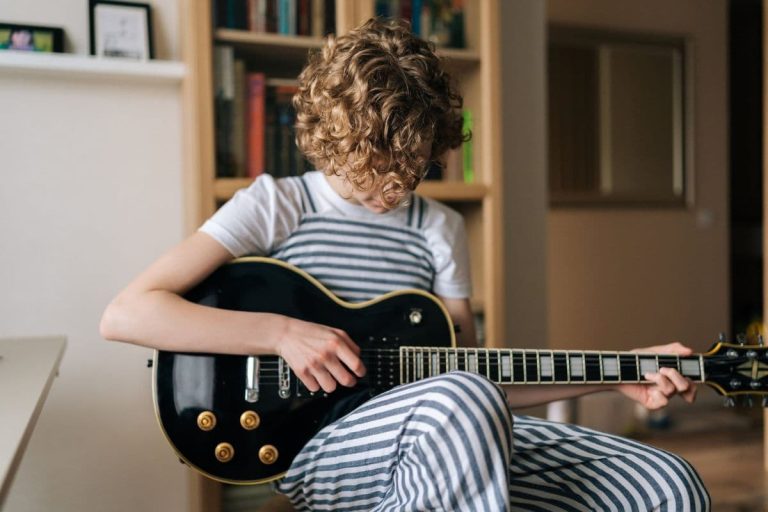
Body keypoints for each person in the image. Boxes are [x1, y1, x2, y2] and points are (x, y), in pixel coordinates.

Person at [100, 17, 710, 511]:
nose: (392, 190)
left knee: (664, 482)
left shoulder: (438, 230)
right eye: (373, 168)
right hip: (323, 448)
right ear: (329, 140)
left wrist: (618, 371)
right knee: (462, 407)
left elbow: (477, 376)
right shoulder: (276, 205)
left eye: (411, 168)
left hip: (451, 431)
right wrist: (281, 333)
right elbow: (127, 314)